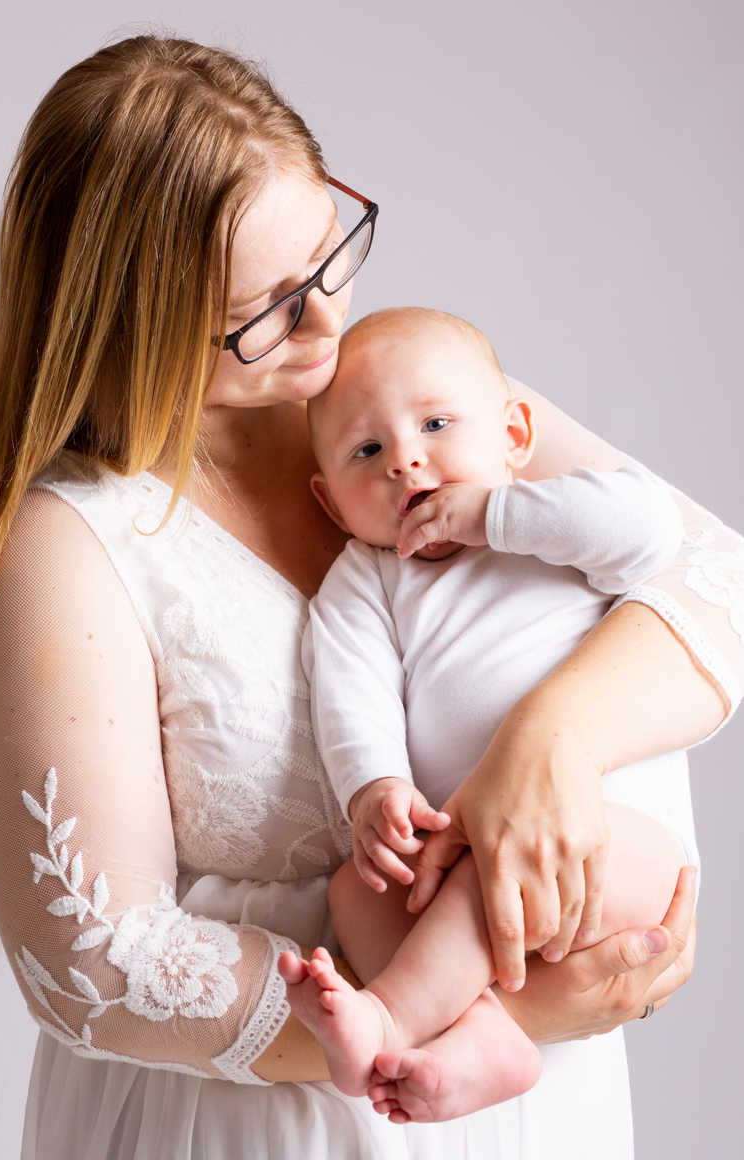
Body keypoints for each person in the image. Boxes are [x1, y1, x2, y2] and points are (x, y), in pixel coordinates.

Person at [0, 34, 733, 1160]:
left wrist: (552, 741)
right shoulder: (66, 546)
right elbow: (87, 963)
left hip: (537, 1118)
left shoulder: (401, 402)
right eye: (265, 313)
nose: (329, 329)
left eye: (330, 258)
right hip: (269, 1125)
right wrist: (505, 1007)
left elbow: (708, 574)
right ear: (134, 324)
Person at [281, 307, 697, 1123]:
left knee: (488, 865)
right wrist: (375, 787)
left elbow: (652, 532)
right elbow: (348, 687)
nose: (406, 460)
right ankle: (485, 1032)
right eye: (367, 452)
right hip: (461, 865)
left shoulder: (553, 521)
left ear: (514, 434)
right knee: (356, 894)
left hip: (615, 850)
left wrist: (491, 515)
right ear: (332, 506)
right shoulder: (366, 579)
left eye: (436, 424)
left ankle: (394, 1015)